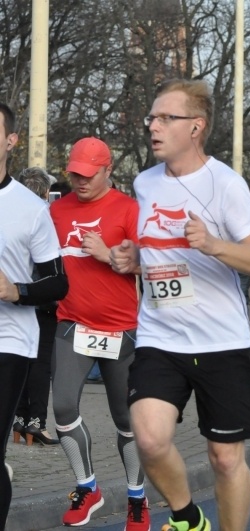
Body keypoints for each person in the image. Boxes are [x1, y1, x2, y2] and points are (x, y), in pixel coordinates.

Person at [110, 78, 250, 531]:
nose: (154, 126)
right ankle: (188, 518)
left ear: (195, 128)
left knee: (225, 458)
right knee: (148, 438)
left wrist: (213, 244)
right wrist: (132, 257)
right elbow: (153, 250)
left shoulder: (225, 184)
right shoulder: (144, 183)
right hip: (160, 337)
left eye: (166, 118)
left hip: (221, 341)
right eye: (152, 118)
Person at [47, 137, 150, 529]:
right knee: (62, 410)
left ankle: (136, 498)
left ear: (108, 171)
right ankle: (87, 486)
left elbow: (154, 265)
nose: (80, 181)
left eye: (88, 175)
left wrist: (108, 255)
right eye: (74, 173)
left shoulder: (129, 209)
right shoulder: (57, 210)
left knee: (126, 420)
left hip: (121, 329)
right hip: (71, 323)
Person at [0, 102, 69, 528]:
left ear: (10, 141)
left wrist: (16, 290)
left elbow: (57, 284)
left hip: (8, 340)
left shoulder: (30, 208)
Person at [12, 168, 60, 446]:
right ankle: (36, 422)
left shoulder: (12, 213)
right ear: (44, 192)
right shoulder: (44, 215)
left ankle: (18, 417)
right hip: (42, 296)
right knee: (41, 363)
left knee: (20, 359)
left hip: (15, 295)